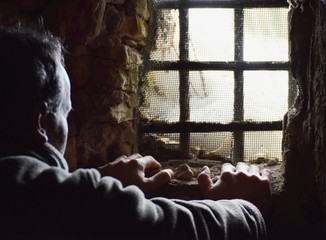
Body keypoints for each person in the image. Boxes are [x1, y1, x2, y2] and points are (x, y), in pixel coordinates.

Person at [0, 25, 272, 240]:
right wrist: (246, 207)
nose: (68, 127)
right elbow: (175, 230)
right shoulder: (39, 199)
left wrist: (98, 181)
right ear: (40, 122)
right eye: (65, 114)